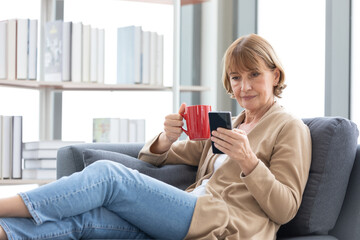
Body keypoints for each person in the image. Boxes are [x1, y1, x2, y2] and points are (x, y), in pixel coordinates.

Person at [0, 33, 311, 240]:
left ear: (275, 75)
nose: (244, 86)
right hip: (188, 211)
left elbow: (285, 208)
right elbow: (153, 157)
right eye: (236, 77)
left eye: (254, 74)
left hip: (224, 224)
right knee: (86, 219)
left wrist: (248, 161)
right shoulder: (229, 125)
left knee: (109, 176)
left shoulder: (289, 128)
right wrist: (168, 137)